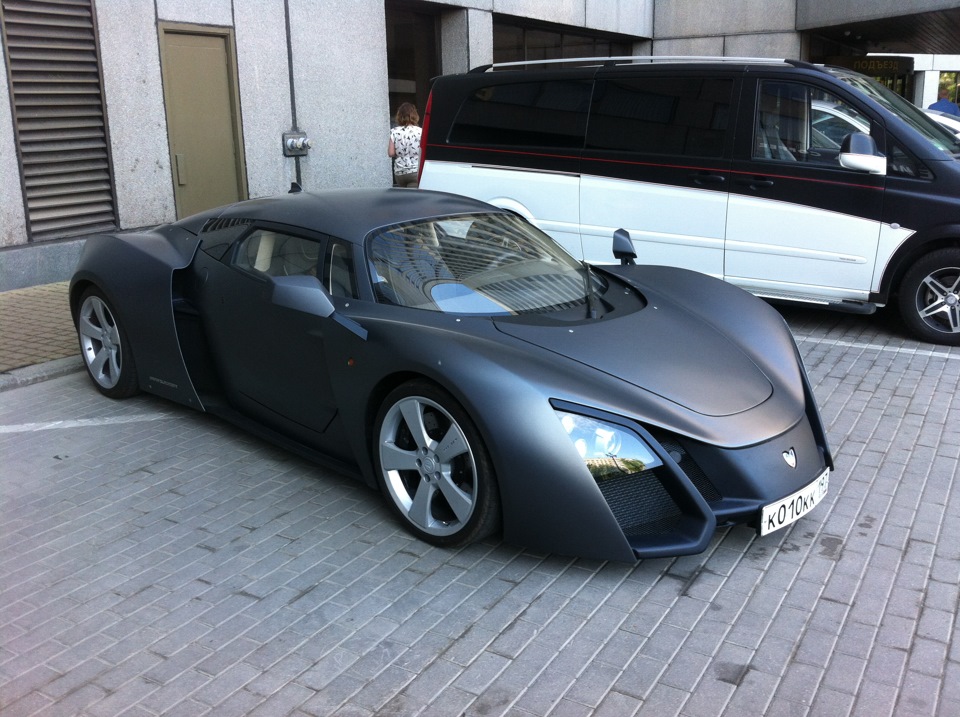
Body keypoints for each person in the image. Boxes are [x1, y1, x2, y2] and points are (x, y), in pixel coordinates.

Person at [388, 103, 422, 188]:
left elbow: (391, 153)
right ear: (415, 115)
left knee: (404, 198)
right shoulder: (420, 132)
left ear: (399, 116)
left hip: (400, 173)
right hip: (415, 171)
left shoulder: (394, 131)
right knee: (413, 200)